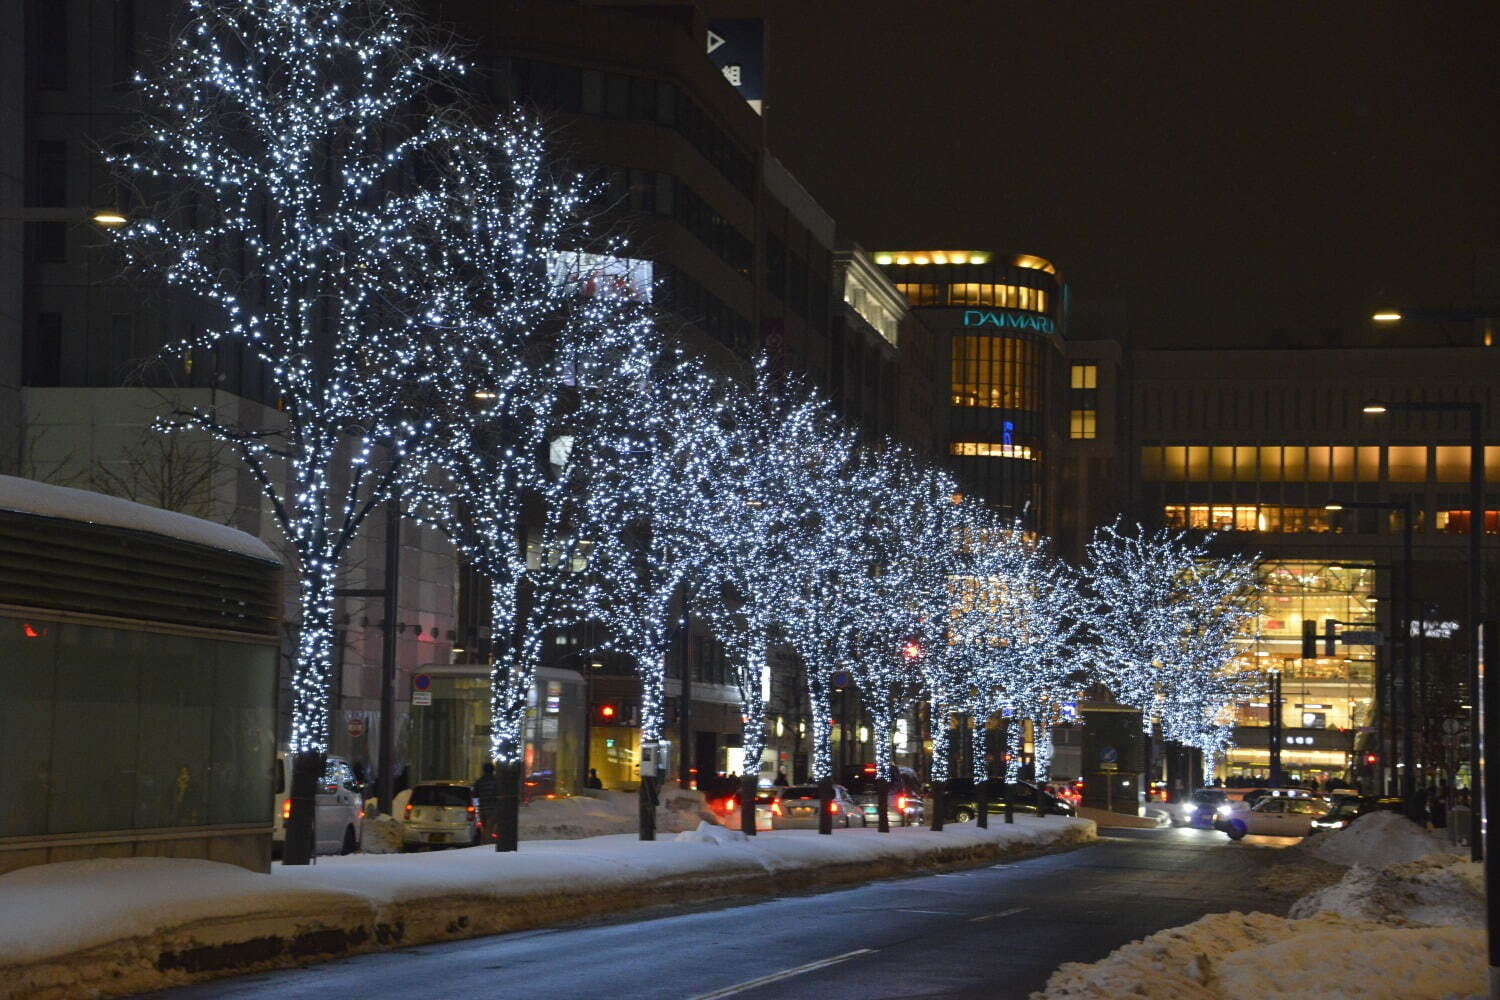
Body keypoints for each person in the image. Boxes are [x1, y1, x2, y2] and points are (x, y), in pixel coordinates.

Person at [473, 762, 500, 841]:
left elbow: (475, 794)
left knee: (485, 827)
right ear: (493, 770)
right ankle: (487, 843)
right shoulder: (496, 781)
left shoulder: (479, 781)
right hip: (493, 808)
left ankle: (485, 841)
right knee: (490, 827)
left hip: (482, 808)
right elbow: (499, 793)